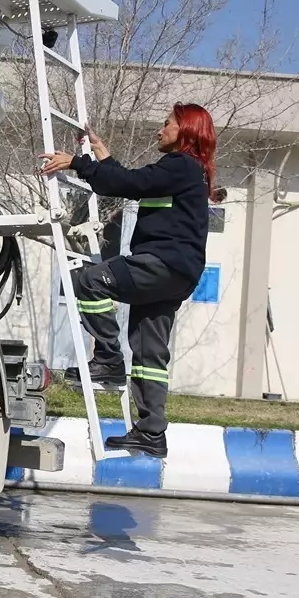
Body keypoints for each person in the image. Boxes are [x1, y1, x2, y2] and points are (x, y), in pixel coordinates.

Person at [39, 102, 226, 458]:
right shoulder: (190, 171)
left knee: (86, 281)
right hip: (178, 273)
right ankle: (152, 433)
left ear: (185, 131)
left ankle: (108, 359)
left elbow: (132, 184)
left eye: (167, 124)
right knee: (148, 352)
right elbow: (132, 181)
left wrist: (80, 164)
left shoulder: (182, 165)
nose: (160, 130)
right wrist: (104, 159)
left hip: (162, 264)